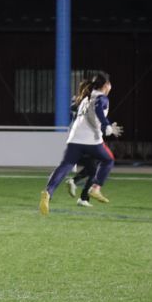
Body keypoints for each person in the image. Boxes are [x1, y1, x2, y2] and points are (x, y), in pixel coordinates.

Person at [39, 71, 121, 215]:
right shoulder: (102, 98)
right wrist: (106, 125)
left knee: (65, 166)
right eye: (109, 84)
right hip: (92, 141)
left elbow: (79, 110)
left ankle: (48, 192)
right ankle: (95, 188)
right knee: (108, 160)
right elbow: (98, 110)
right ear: (106, 85)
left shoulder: (85, 98)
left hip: (74, 139)